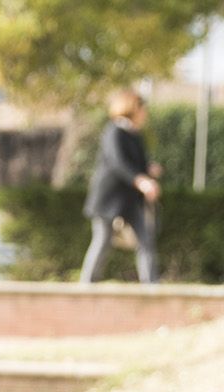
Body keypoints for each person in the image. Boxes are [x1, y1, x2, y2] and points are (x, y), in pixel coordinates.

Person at [80, 88, 161, 284]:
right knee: (102, 241)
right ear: (132, 108)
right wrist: (141, 181)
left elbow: (136, 164)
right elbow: (118, 163)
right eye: (142, 108)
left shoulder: (135, 134)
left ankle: (152, 287)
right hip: (109, 198)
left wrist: (148, 170)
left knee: (145, 240)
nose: (145, 113)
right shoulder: (114, 131)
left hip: (131, 200)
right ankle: (86, 285)